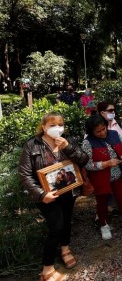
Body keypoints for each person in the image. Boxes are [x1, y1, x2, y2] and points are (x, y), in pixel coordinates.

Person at [18, 111, 88, 280]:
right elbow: (24, 175)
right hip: (47, 196)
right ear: (44, 127)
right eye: (52, 125)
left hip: (68, 191)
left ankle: (65, 249)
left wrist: (68, 147)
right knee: (56, 227)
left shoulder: (68, 140)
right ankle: (47, 270)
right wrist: (42, 194)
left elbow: (84, 160)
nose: (57, 128)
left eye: (60, 124)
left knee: (66, 220)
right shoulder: (32, 145)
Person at [82, 114, 122, 240]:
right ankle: (103, 224)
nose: (102, 133)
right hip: (100, 178)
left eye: (104, 129)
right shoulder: (87, 142)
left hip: (117, 174)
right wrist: (106, 164)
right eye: (98, 131)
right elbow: (87, 164)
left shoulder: (114, 134)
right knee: (101, 203)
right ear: (91, 132)